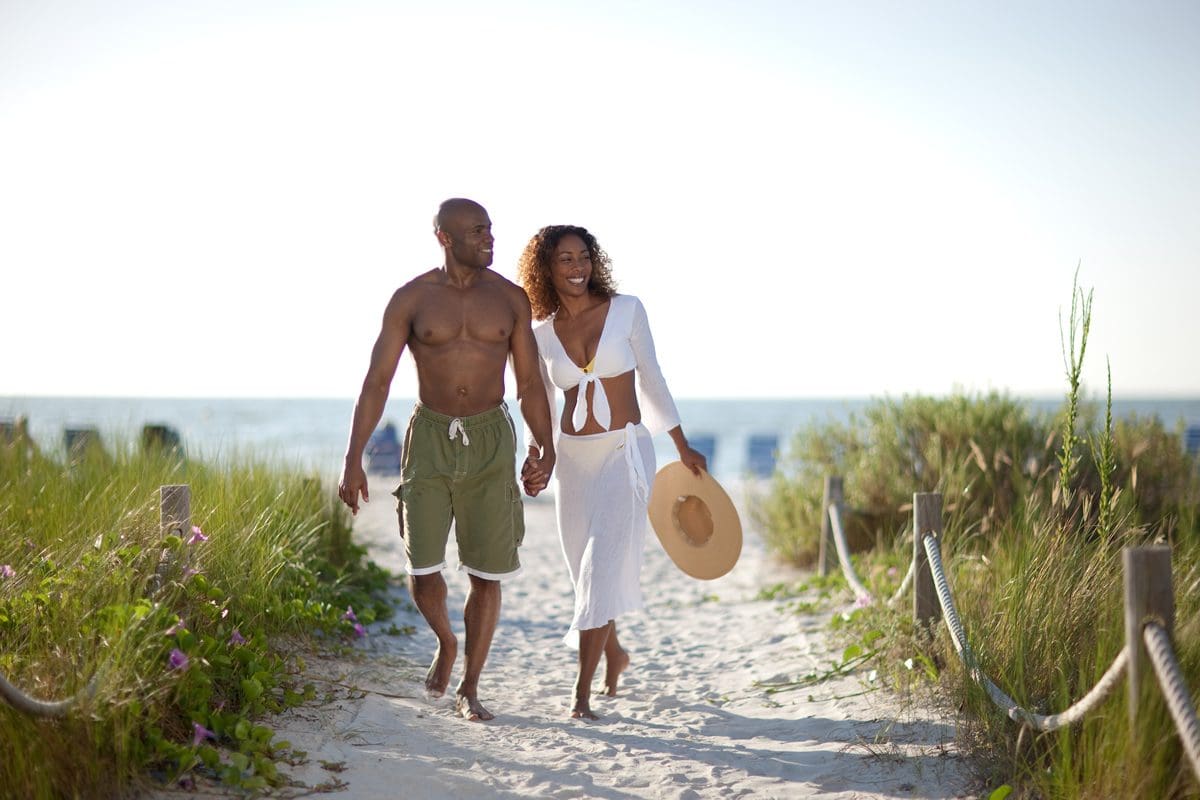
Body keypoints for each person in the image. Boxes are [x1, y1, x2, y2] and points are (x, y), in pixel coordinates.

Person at [338, 198, 556, 722]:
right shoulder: (411, 299)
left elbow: (527, 382)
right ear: (445, 237)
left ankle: (471, 686)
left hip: (490, 436)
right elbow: (377, 381)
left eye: (490, 229)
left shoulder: (509, 298)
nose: (490, 239)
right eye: (478, 231)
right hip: (430, 435)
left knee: (487, 571)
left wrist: (543, 446)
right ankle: (445, 639)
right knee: (423, 565)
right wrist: (353, 457)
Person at [516, 225, 706, 720]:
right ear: (546, 269)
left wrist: (681, 445)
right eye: (565, 260)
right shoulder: (539, 333)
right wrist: (541, 457)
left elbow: (653, 378)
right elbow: (540, 400)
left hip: (626, 452)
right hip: (573, 461)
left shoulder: (628, 310)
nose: (578, 268)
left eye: (584, 257)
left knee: (600, 568)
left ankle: (581, 694)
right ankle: (614, 651)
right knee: (583, 570)